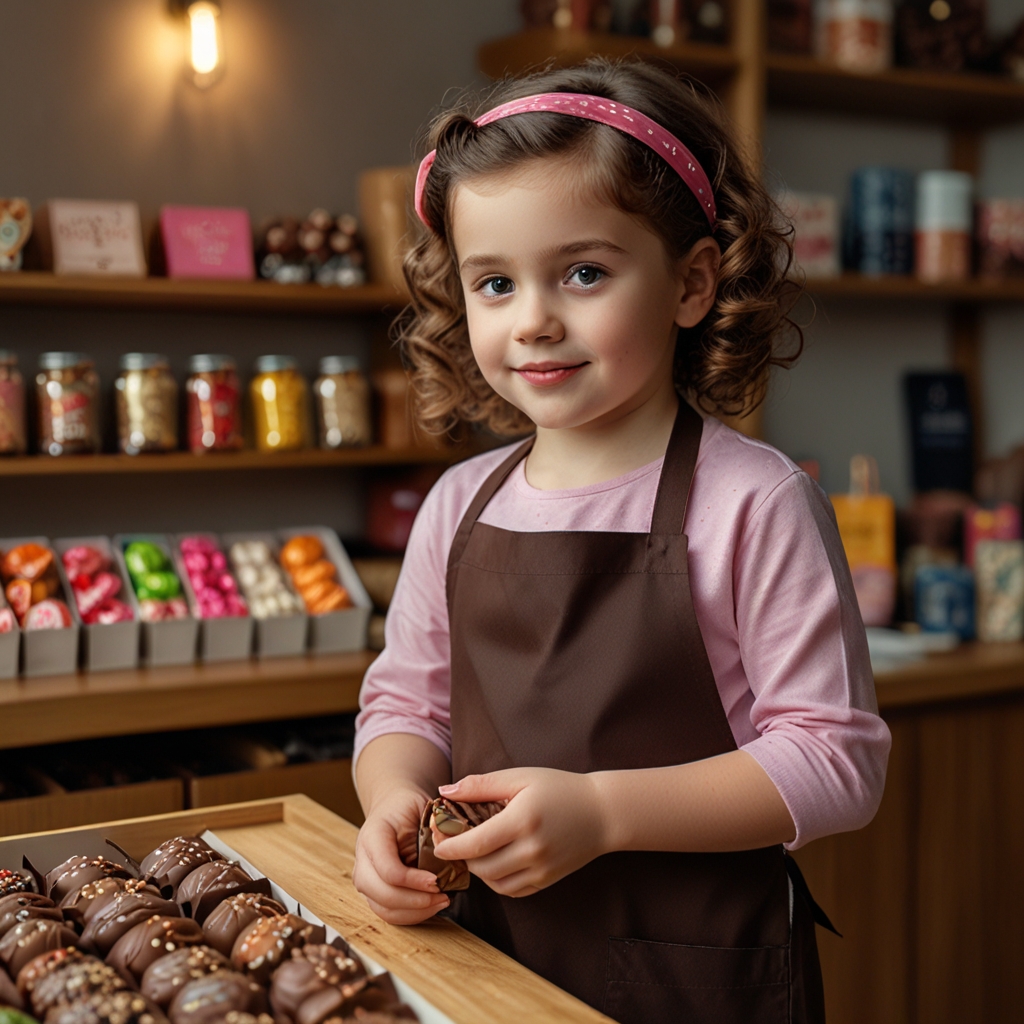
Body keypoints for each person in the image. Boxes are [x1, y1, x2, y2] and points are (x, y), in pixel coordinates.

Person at [352, 58, 890, 1024]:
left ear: (690, 283)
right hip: (486, 962)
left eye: (585, 272)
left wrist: (603, 815)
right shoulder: (458, 503)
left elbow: (835, 759)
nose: (535, 320)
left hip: (699, 975)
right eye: (496, 283)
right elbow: (406, 705)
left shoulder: (755, 503)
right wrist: (390, 801)